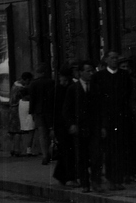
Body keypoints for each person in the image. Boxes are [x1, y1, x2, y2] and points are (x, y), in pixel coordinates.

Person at [94, 50, 132, 190]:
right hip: (106, 119)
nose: (115, 60)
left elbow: (127, 95)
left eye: (116, 58)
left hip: (121, 118)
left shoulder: (124, 76)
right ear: (106, 60)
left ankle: (118, 178)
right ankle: (110, 178)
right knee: (109, 150)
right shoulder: (99, 76)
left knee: (120, 150)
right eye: (112, 58)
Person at [63, 62, 101, 191]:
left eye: (92, 71)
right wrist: (71, 124)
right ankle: (85, 183)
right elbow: (67, 110)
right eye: (88, 71)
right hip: (80, 128)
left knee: (96, 156)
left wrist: (102, 126)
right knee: (82, 156)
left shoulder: (96, 88)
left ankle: (96, 181)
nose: (91, 73)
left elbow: (101, 109)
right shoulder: (73, 89)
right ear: (80, 73)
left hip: (94, 127)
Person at [50, 65, 77, 185]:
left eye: (66, 80)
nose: (64, 82)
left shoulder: (71, 88)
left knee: (67, 151)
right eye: (62, 80)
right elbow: (53, 110)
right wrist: (52, 127)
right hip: (61, 125)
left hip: (68, 124)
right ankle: (69, 177)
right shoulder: (57, 91)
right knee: (67, 151)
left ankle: (62, 175)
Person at [28, 65, 57, 165]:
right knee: (51, 133)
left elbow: (32, 99)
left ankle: (45, 155)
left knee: (42, 134)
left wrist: (31, 111)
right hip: (50, 111)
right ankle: (50, 152)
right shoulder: (51, 82)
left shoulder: (34, 84)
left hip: (38, 111)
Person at [8, 70, 35, 158]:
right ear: (25, 79)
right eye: (28, 80)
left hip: (12, 109)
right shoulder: (20, 88)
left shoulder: (14, 85)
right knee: (17, 131)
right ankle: (17, 150)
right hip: (17, 108)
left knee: (13, 130)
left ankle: (13, 148)